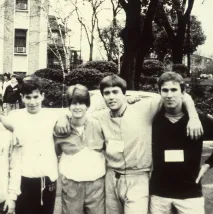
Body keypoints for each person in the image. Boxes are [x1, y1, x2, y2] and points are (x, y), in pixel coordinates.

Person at [56, 74, 202, 214]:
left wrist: (194, 116)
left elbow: (181, 95)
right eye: (107, 93)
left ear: (124, 94)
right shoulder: (99, 117)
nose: (111, 97)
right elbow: (78, 112)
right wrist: (63, 117)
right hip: (111, 177)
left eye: (115, 92)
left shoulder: (144, 108)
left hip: (138, 178)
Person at [149, 72, 213, 214]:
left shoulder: (198, 120)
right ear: (159, 92)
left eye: (174, 90)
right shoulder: (153, 120)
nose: (169, 95)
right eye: (165, 90)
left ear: (183, 92)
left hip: (190, 193)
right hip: (159, 193)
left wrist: (208, 164)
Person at [3, 76, 59, 214]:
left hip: (47, 178)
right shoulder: (14, 117)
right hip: (24, 179)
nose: (32, 102)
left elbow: (73, 115)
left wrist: (64, 119)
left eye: (36, 97)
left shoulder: (53, 116)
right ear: (22, 97)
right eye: (28, 97)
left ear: (42, 96)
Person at [54, 84, 106, 214]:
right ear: (69, 106)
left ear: (87, 105)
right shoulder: (60, 128)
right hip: (71, 184)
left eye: (81, 103)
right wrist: (62, 118)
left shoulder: (98, 125)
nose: (77, 107)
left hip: (96, 185)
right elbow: (55, 152)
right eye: (74, 103)